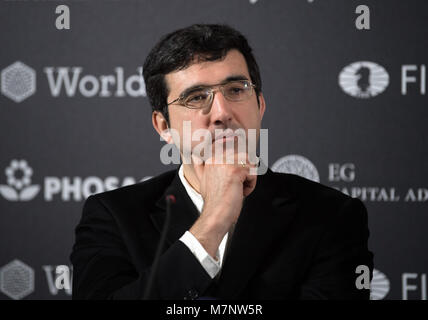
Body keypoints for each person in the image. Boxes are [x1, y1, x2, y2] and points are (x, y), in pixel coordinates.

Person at [70, 24, 374, 300]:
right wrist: (213, 222)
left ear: (260, 105)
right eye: (196, 97)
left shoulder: (331, 216)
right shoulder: (113, 217)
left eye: (236, 90)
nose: (222, 113)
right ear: (164, 127)